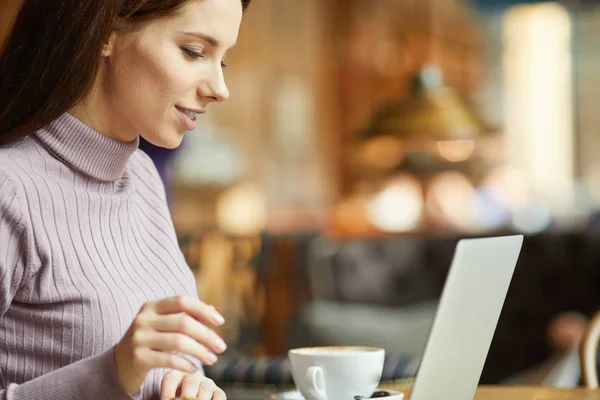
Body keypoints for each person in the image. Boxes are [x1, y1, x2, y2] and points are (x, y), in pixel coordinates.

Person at [0, 0, 250, 399]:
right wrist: (112, 371)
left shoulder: (142, 178)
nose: (220, 89)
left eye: (223, 61)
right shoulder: (9, 189)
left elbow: (163, 365)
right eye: (194, 52)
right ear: (105, 35)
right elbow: (125, 368)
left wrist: (191, 385)